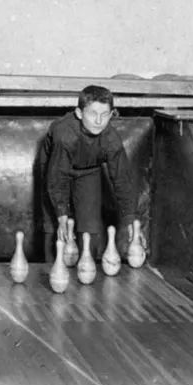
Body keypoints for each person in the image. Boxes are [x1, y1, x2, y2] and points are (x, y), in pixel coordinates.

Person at [41, 85, 138, 261]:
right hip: (54, 169)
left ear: (111, 114)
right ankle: (50, 269)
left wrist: (131, 220)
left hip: (89, 170)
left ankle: (87, 266)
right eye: (93, 114)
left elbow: (123, 179)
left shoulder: (111, 140)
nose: (99, 121)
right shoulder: (65, 136)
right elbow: (57, 179)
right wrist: (62, 215)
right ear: (79, 113)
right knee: (56, 227)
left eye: (104, 114)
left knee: (90, 226)